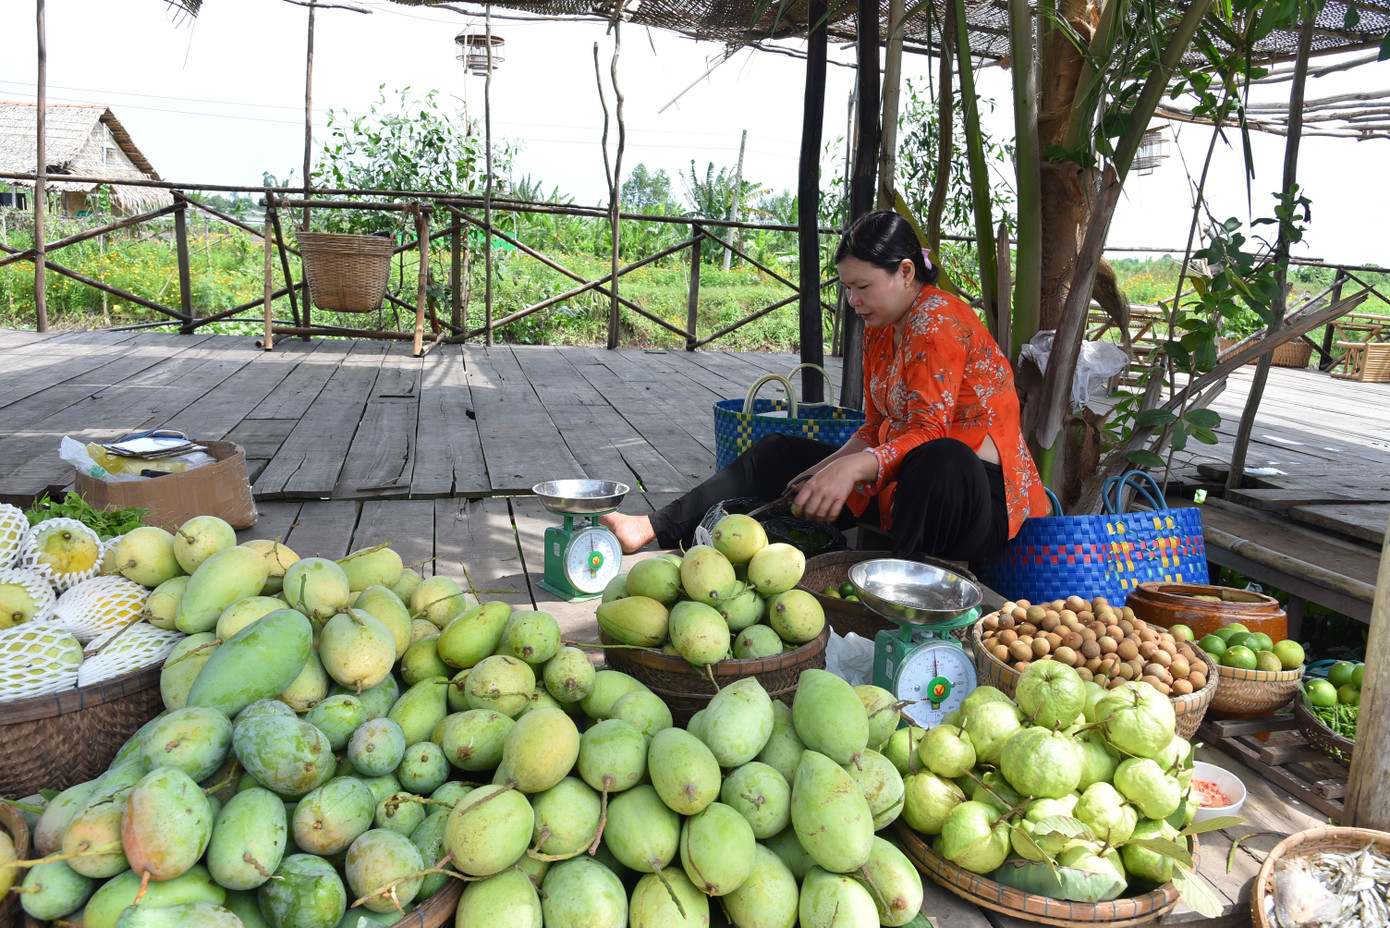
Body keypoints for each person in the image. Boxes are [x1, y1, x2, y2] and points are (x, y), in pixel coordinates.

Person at [602, 208, 1050, 566]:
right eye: (847, 288)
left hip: (972, 502)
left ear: (906, 271)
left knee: (940, 458)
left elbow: (929, 432)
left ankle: (903, 586)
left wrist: (853, 469)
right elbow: (874, 425)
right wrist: (826, 469)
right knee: (778, 453)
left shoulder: (938, 321)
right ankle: (651, 527)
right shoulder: (879, 327)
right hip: (899, 486)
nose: (853, 300)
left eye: (863, 286)